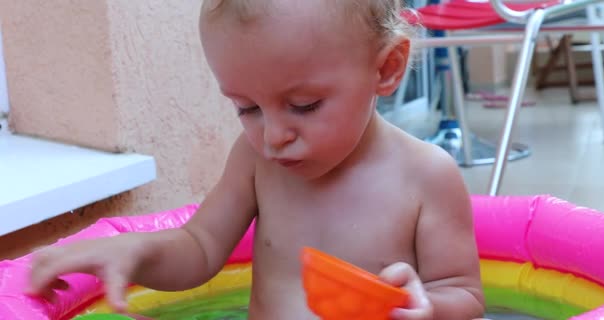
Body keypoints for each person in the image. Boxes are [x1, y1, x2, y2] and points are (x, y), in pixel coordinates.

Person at [27, 0, 485, 319]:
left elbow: (464, 296)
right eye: (246, 108)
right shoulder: (254, 162)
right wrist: (137, 250)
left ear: (385, 69)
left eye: (304, 105)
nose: (273, 136)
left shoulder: (425, 177)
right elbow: (200, 250)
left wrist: (425, 307)